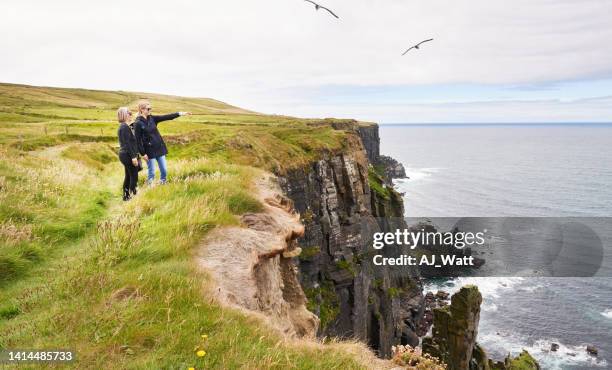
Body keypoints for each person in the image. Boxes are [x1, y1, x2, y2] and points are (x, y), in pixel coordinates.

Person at [133, 100, 191, 184]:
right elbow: (137, 140)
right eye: (148, 109)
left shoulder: (152, 118)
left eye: (150, 108)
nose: (150, 110)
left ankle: (163, 183)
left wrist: (180, 113)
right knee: (152, 172)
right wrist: (142, 153)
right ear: (142, 109)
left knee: (164, 170)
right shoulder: (138, 123)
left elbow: (167, 117)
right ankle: (150, 189)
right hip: (149, 151)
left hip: (159, 148)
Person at [117, 107, 140, 201]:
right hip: (127, 154)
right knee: (134, 176)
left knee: (128, 176)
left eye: (131, 113)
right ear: (124, 115)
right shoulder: (124, 127)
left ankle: (126, 196)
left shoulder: (125, 126)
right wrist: (133, 157)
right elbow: (127, 143)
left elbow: (132, 127)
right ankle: (132, 196)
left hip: (125, 154)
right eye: (129, 113)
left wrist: (136, 117)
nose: (131, 114)